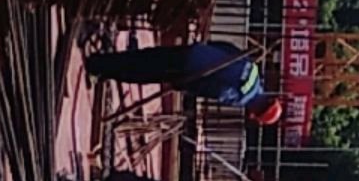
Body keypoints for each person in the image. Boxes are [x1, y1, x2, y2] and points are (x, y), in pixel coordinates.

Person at [85, 40, 282, 120]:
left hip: (194, 52)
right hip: (187, 69)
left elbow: (228, 48)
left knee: (147, 56)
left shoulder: (253, 69)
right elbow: (212, 89)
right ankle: (98, 67)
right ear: (258, 110)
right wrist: (184, 85)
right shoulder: (241, 96)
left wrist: (205, 47)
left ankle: (103, 63)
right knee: (142, 72)